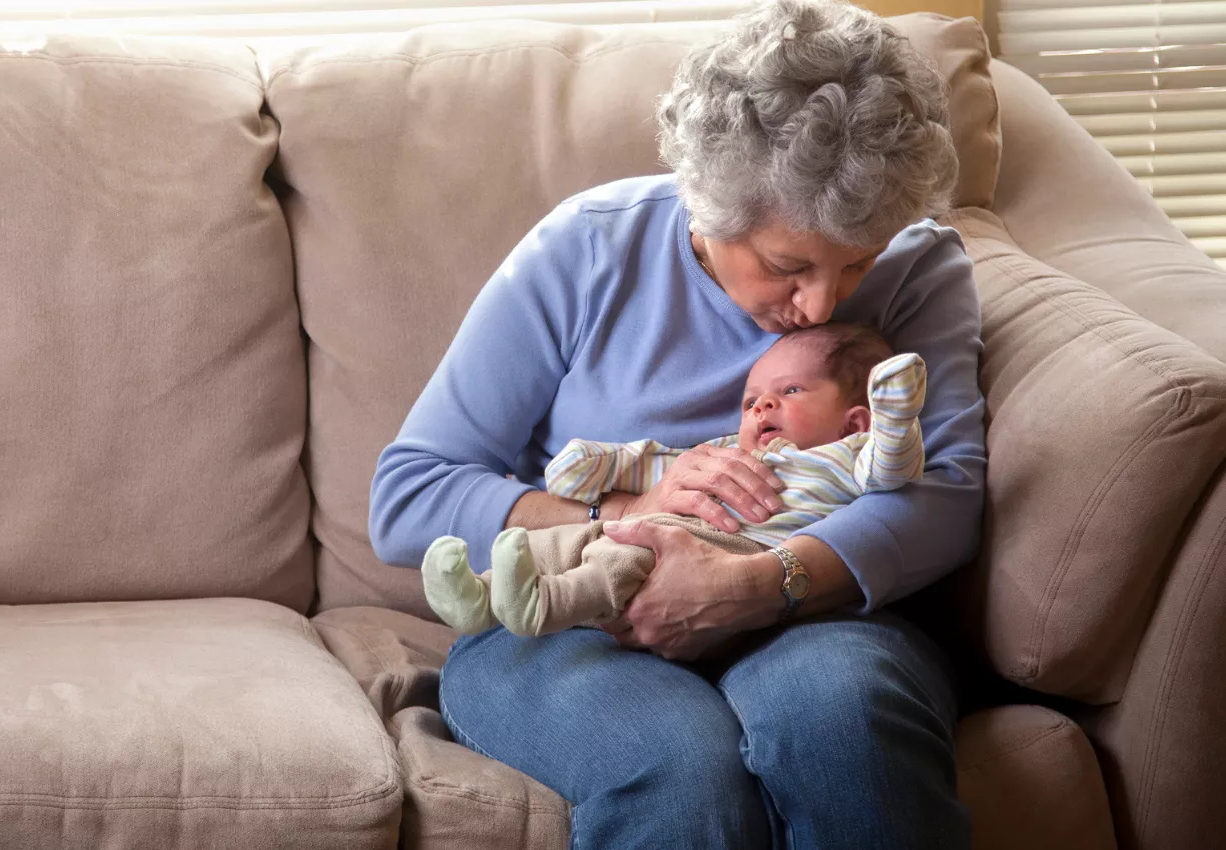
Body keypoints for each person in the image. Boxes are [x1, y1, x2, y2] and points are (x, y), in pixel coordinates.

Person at [367, 0, 986, 844]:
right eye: (786, 264)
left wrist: (753, 586)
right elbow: (409, 494)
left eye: (858, 264)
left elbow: (946, 494)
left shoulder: (921, 266)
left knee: (846, 720)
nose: (820, 305)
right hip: (570, 618)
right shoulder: (586, 249)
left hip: (812, 611)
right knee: (683, 768)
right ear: (708, 205)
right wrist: (624, 514)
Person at [422, 323, 927, 638]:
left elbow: (894, 467)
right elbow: (654, 462)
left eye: (790, 390)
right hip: (659, 524)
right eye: (751, 401)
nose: (761, 407)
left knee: (629, 557)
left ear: (855, 421)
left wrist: (895, 413)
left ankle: (544, 604)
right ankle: (481, 595)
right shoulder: (729, 450)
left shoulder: (846, 455)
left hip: (734, 551)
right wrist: (593, 464)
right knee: (572, 539)